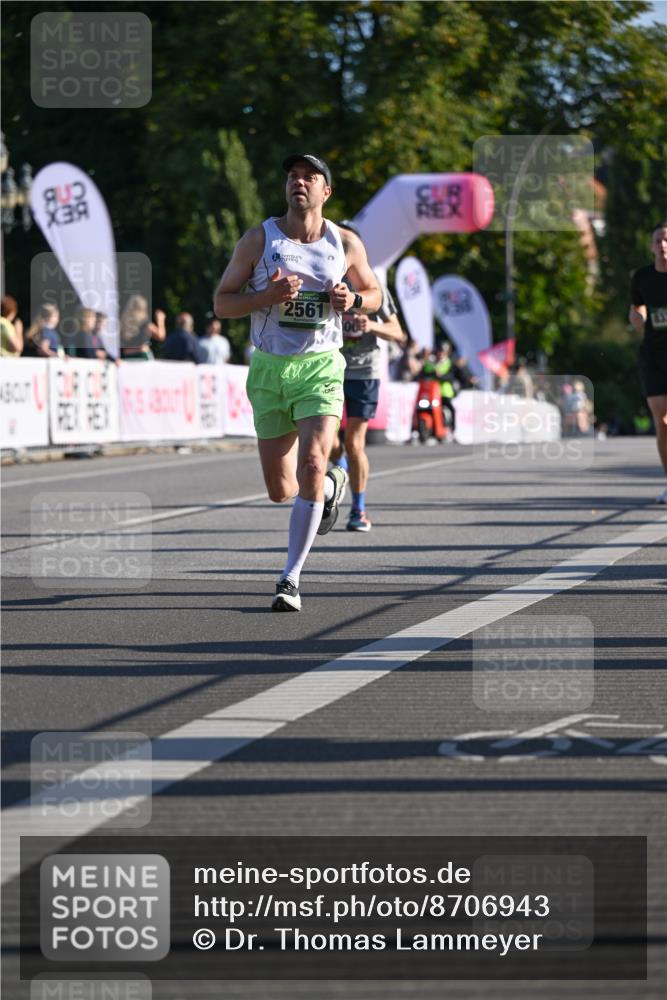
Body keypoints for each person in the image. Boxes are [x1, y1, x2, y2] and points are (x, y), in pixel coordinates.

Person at [213, 153, 380, 611]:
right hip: (269, 369)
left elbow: (375, 293)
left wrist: (354, 298)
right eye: (292, 176)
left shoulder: (344, 243)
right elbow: (222, 305)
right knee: (281, 490)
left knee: (311, 462)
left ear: (326, 192)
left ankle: (290, 578)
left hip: (321, 366)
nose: (298, 183)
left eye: (309, 177)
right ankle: (329, 487)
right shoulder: (258, 240)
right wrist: (266, 296)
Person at [329, 219, 407, 531]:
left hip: (364, 371)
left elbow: (397, 332)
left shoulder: (374, 287)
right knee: (326, 442)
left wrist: (370, 325)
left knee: (354, 441)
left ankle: (358, 510)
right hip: (329, 368)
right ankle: (341, 468)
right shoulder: (324, 280)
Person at [630, 220, 667, 503]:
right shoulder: (642, 278)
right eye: (657, 241)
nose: (662, 245)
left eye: (666, 240)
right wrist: (637, 316)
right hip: (654, 355)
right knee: (662, 421)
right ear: (651, 246)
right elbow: (637, 306)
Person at [422, 342, 457, 430]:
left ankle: (452, 429)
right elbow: (425, 373)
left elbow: (452, 376)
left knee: (451, 409)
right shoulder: (431, 363)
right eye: (440, 352)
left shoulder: (449, 363)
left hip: (445, 392)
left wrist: (441, 376)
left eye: (443, 352)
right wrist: (434, 373)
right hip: (432, 392)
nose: (441, 354)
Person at [120, 294, 166, 360]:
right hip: (142, 354)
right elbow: (160, 336)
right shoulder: (144, 322)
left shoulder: (123, 322)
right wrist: (161, 321)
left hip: (127, 356)